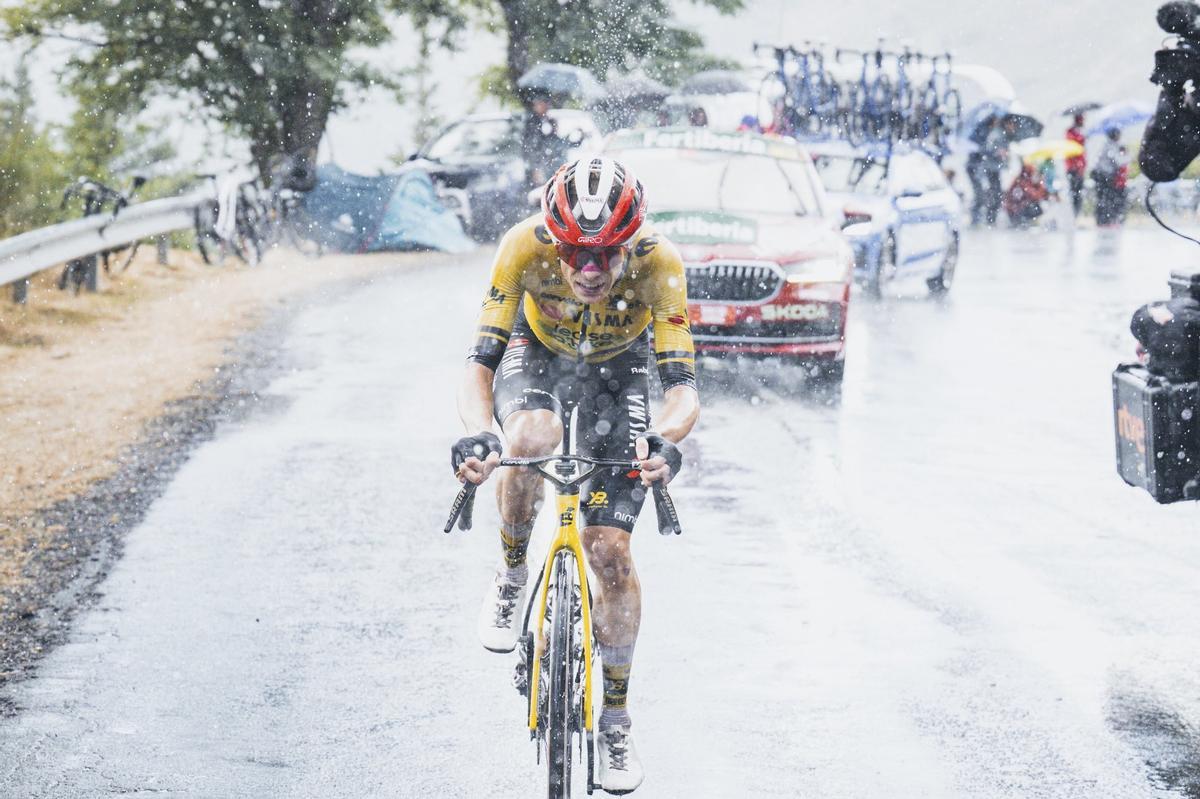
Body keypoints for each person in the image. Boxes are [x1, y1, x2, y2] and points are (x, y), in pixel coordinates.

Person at [451, 156, 700, 794]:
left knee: (610, 552)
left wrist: (666, 442)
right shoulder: (521, 247)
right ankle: (511, 571)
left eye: (607, 254)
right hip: (536, 355)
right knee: (530, 437)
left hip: (620, 371)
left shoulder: (660, 262)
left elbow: (682, 388)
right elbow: (478, 365)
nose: (590, 271)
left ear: (633, 241)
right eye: (575, 253)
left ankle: (615, 717)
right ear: (553, 239)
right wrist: (481, 431)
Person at [522, 94, 565, 188]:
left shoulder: (550, 121)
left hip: (550, 163)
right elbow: (530, 146)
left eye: (546, 104)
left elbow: (555, 141)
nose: (545, 106)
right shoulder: (532, 123)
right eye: (541, 104)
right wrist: (536, 168)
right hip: (539, 165)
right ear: (536, 106)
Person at [1093, 128, 1129, 227]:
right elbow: (1118, 161)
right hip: (1103, 176)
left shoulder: (1109, 145)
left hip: (1102, 175)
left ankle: (1105, 220)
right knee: (1105, 199)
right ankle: (1104, 221)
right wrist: (1127, 157)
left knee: (1104, 199)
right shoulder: (1110, 146)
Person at [1003, 162, 1049, 227]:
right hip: (1016, 209)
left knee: (1036, 206)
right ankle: (1023, 222)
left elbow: (1042, 195)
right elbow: (1034, 195)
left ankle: (1029, 221)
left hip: (1019, 207)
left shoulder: (1030, 181)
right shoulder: (1021, 182)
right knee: (1032, 206)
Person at [1065, 114, 1087, 216]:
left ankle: (1076, 214)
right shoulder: (1071, 133)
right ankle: (1073, 214)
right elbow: (1074, 148)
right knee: (1074, 193)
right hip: (1073, 168)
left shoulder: (1080, 132)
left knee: (1079, 193)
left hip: (1080, 168)